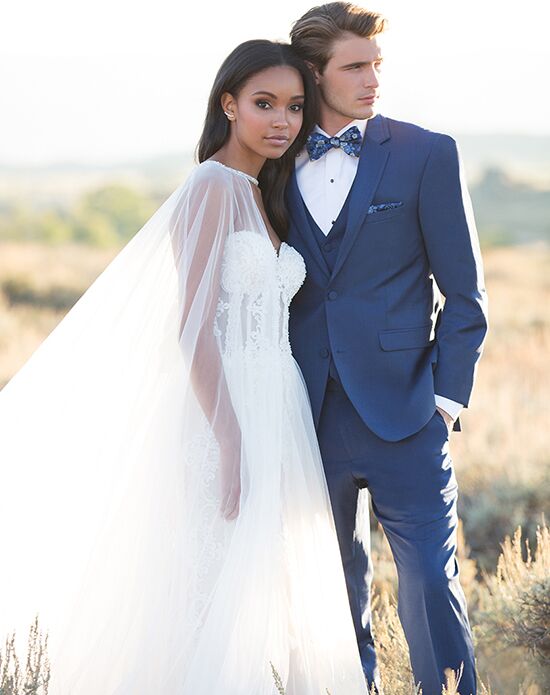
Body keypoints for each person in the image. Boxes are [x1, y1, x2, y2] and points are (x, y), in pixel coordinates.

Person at [0, 40, 369, 694]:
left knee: (264, 581)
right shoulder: (210, 187)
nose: (281, 120)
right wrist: (228, 436)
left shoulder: (263, 192)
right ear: (228, 104)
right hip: (222, 408)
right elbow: (193, 328)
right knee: (211, 577)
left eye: (292, 106)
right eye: (263, 104)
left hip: (276, 402)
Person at [286, 4, 489, 695]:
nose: (373, 79)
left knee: (431, 583)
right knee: (331, 593)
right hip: (306, 416)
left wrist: (443, 400)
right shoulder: (273, 161)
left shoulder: (427, 152)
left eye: (378, 65)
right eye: (354, 66)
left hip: (408, 411)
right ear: (314, 75)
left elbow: (466, 295)